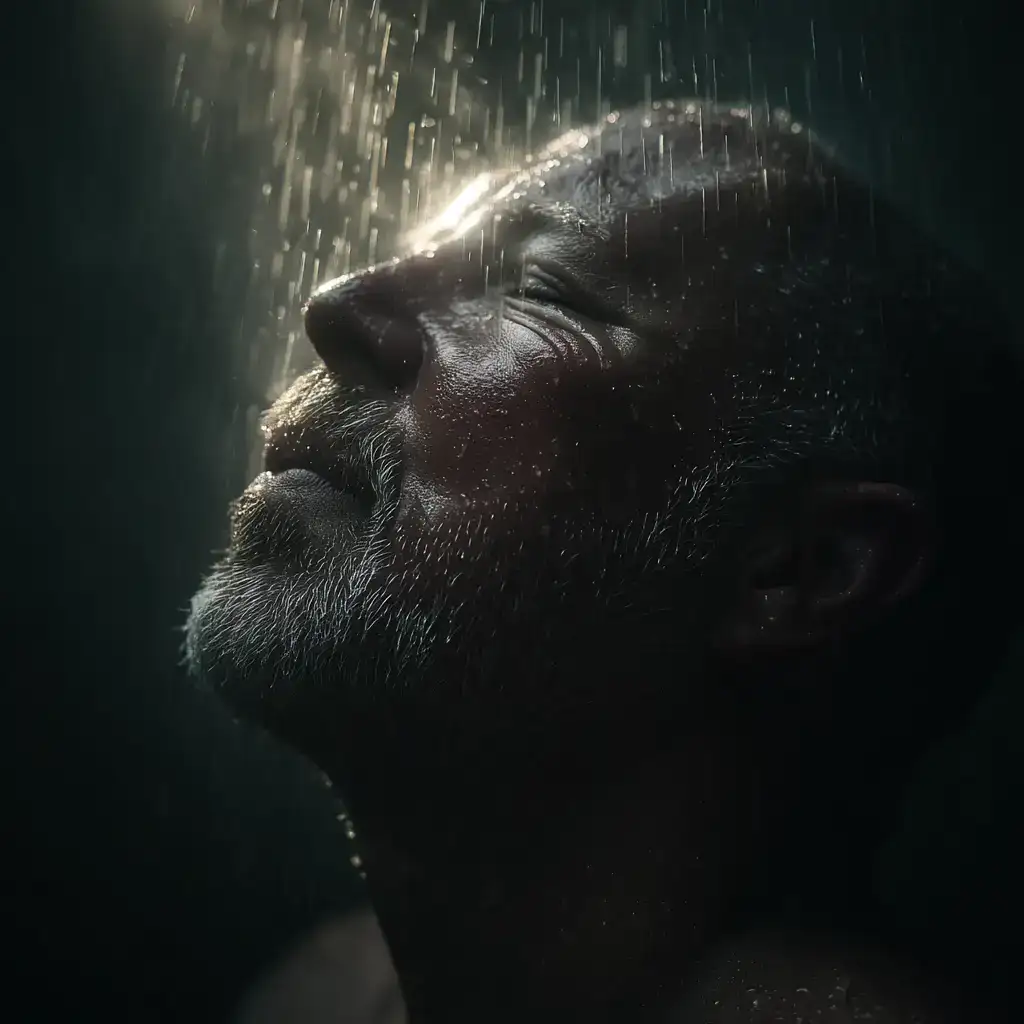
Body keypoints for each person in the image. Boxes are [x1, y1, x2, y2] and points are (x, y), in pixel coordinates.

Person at [186, 102, 1020, 1022]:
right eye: (416, 257)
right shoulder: (324, 997)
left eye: (542, 290)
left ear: (802, 568)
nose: (337, 306)